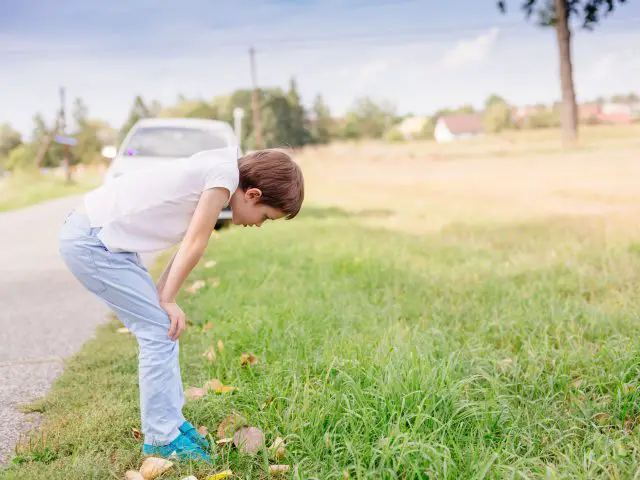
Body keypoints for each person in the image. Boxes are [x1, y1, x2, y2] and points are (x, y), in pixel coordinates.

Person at [58, 146, 304, 462]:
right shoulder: (223, 177)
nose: (259, 224)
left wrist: (164, 297)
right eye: (266, 218)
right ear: (253, 194)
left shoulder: (224, 169)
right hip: (92, 241)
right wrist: (168, 299)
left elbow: (188, 237)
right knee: (159, 332)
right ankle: (161, 438)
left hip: (106, 241)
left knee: (165, 327)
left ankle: (171, 425)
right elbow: (195, 243)